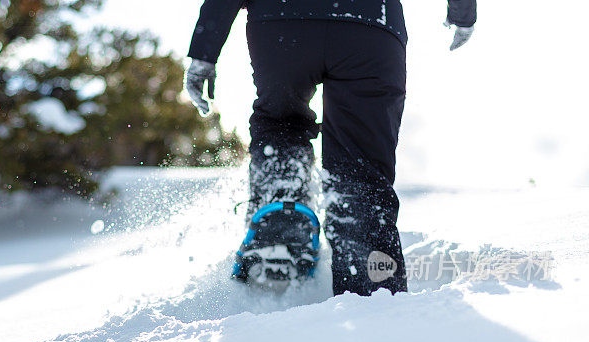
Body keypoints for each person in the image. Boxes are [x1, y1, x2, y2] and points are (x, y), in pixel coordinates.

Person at [184, 0, 476, 295]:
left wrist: (204, 53)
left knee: (280, 123)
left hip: (283, 21)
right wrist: (462, 14)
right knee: (360, 167)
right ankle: (370, 286)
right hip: (370, 24)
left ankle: (281, 210)